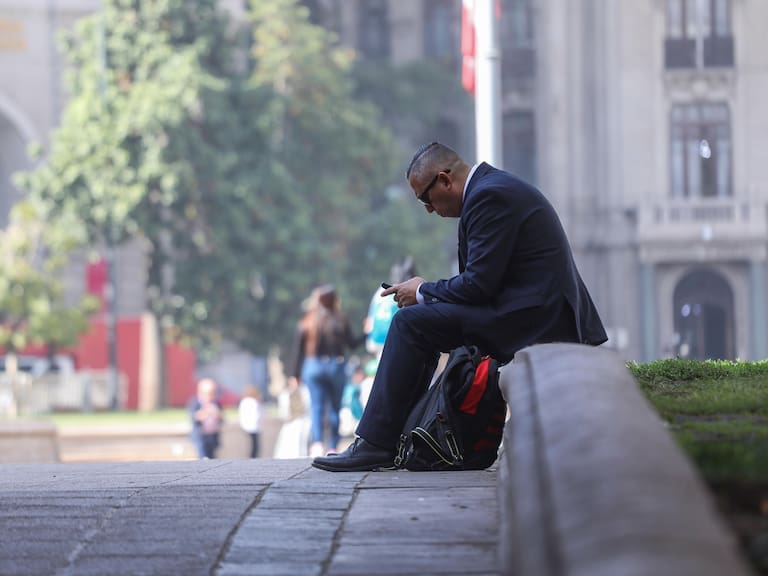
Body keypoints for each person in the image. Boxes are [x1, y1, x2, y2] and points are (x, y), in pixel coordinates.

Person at [313, 142, 607, 472]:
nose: (428, 209)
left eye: (426, 199)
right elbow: (482, 281)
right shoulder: (490, 188)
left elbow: (478, 285)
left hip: (536, 318)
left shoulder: (488, 196)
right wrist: (427, 294)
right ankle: (389, 440)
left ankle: (376, 443)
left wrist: (422, 290)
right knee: (418, 322)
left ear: (444, 180)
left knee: (410, 324)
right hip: (528, 309)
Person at [288, 284, 361, 458]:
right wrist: (367, 332)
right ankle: (333, 447)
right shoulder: (341, 320)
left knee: (316, 407)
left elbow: (297, 350)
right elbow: (352, 344)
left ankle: (317, 443)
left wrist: (294, 374)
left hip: (313, 367)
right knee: (335, 408)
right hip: (336, 365)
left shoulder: (308, 321)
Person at [364, 257, 418, 360]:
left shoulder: (380, 291)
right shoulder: (409, 292)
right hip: (398, 342)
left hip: (378, 343)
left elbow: (369, 322)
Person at [189, 378, 223, 459]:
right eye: (209, 393)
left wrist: (217, 415)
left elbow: (222, 418)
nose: (211, 395)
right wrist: (205, 412)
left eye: (213, 393)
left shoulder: (216, 403)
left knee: (213, 457)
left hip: (213, 435)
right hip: (201, 436)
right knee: (203, 457)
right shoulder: (196, 403)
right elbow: (193, 418)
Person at [238, 385, 263, 458]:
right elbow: (257, 414)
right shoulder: (253, 402)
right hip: (253, 426)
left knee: (253, 444)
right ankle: (253, 457)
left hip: (247, 426)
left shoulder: (244, 401)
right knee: (254, 445)